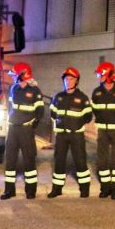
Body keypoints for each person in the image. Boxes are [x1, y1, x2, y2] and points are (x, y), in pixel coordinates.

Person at [1, 61, 44, 200]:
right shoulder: (13, 89)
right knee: (10, 160)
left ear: (22, 75)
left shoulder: (35, 91)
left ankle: (31, 191)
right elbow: (10, 107)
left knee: (29, 159)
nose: (13, 78)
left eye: (15, 75)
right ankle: (9, 190)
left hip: (26, 129)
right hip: (13, 129)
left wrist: (31, 126)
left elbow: (40, 112)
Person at [48, 66, 93, 198]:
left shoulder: (83, 98)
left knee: (80, 160)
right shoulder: (58, 97)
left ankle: (85, 189)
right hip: (61, 135)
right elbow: (53, 113)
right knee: (59, 161)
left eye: (71, 79)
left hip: (76, 134)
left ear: (76, 81)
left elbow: (88, 117)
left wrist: (76, 125)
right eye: (66, 79)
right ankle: (57, 189)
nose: (68, 81)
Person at [91, 61, 115, 199]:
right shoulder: (97, 92)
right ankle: (105, 188)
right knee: (102, 159)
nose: (99, 77)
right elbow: (94, 109)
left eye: (101, 74)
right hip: (102, 130)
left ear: (108, 75)